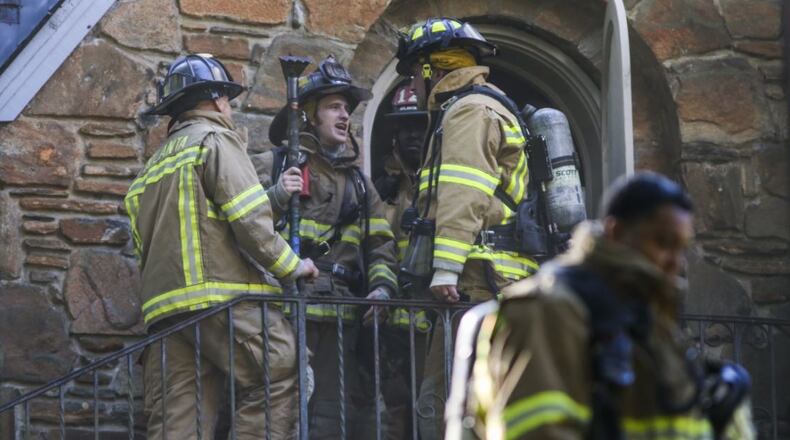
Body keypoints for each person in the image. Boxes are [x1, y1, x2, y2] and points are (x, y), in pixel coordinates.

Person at [450, 172, 755, 440]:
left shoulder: (650, 319)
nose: (675, 261)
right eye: (662, 242)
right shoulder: (548, 309)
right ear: (616, 232)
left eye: (681, 248)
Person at [124, 53, 318, 440]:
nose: (229, 108)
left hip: (165, 315)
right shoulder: (216, 140)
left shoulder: (150, 171)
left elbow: (177, 230)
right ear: (215, 100)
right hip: (221, 300)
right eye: (227, 99)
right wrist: (292, 266)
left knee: (178, 421)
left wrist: (275, 196)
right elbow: (248, 220)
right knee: (281, 373)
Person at [394, 18, 539, 437]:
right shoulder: (484, 105)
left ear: (428, 70)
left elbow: (463, 194)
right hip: (494, 283)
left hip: (477, 282)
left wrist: (445, 269)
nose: (414, 87)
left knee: (449, 406)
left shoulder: (468, 110)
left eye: (414, 75)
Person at [251, 55, 399, 439]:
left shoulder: (361, 185)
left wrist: (382, 288)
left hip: (340, 314)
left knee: (331, 418)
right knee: (279, 410)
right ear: (310, 115)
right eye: (334, 106)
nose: (345, 115)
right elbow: (243, 224)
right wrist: (278, 195)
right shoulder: (277, 165)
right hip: (285, 309)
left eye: (347, 108)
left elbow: (380, 244)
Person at [373, 82, 431, 439]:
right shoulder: (384, 189)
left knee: (435, 404)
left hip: (437, 315)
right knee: (396, 407)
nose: (413, 135)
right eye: (405, 127)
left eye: (421, 127)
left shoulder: (445, 183)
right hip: (395, 320)